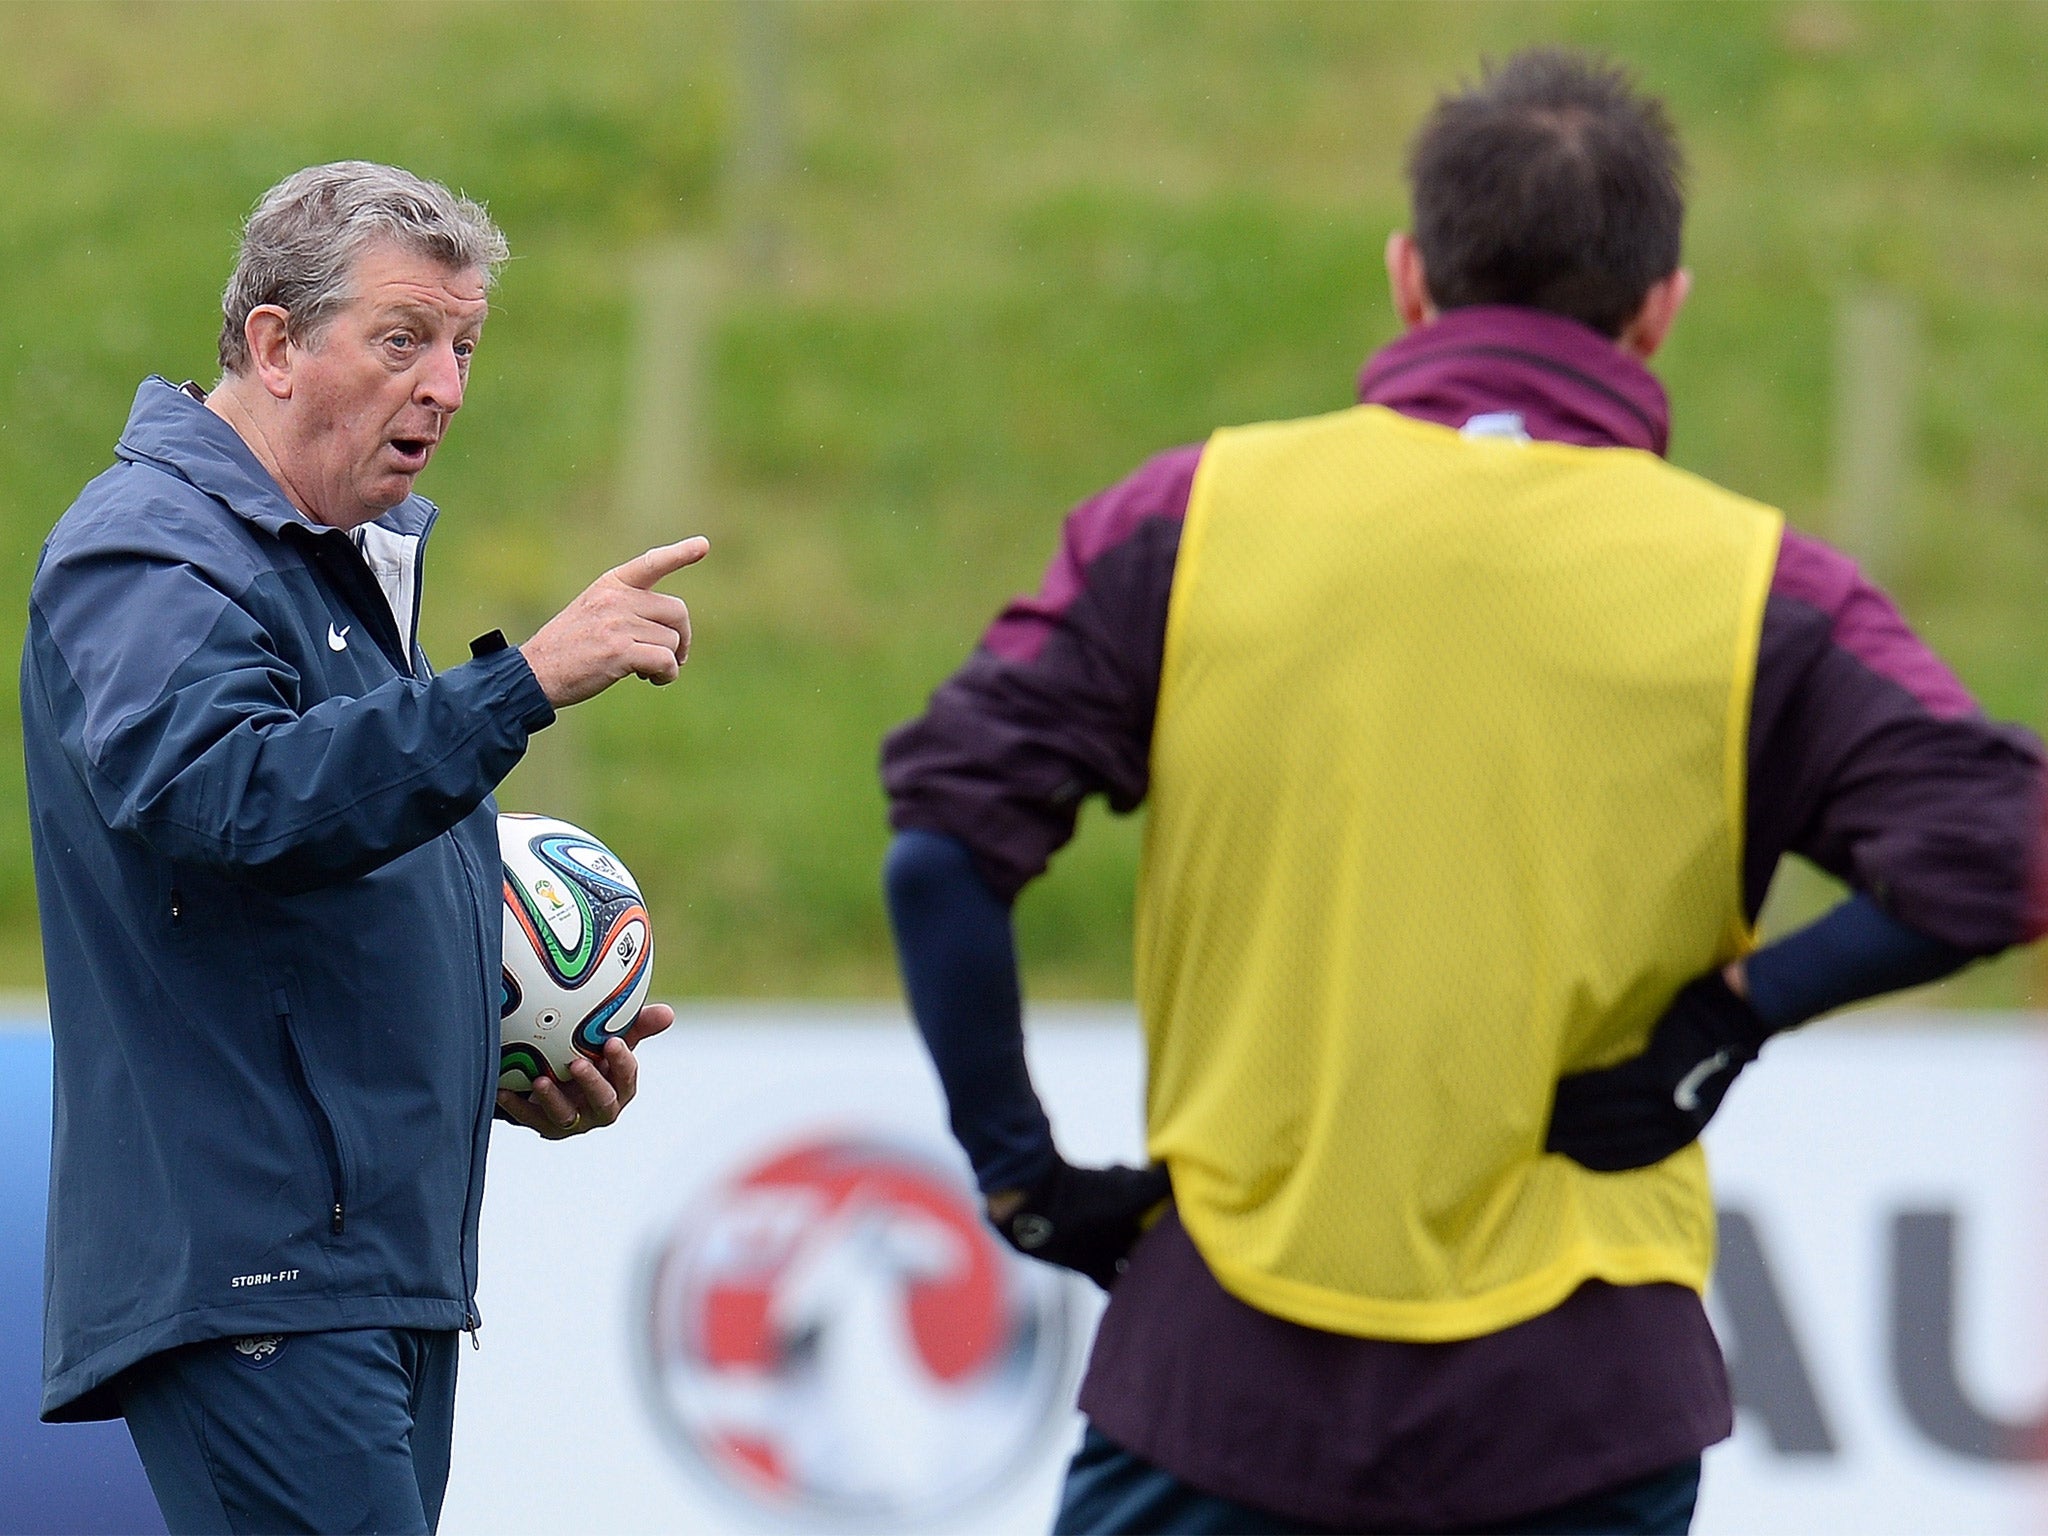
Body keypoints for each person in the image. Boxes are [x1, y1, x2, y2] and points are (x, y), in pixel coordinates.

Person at [881, 51, 2043, 1536]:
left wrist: (1023, 1179)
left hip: (1220, 1375)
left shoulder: (1188, 519)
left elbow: (940, 853)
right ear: (1661, 306)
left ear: (1409, 278)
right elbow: (2007, 837)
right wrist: (1727, 1024)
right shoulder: (1758, 588)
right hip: (1580, 1403)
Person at [23, 162, 708, 1534]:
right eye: (405, 338)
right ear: (275, 344)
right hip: (259, 1276)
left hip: (365, 1270)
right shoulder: (153, 551)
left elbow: (309, 901)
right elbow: (228, 796)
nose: (446, 384)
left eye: (464, 345)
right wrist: (521, 688)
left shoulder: (330, 560)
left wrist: (500, 1060)